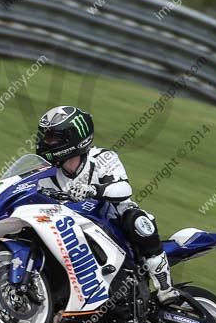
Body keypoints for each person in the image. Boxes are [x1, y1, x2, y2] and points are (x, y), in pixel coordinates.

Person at [35, 105, 179, 304]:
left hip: (112, 222)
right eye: (45, 136)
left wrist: (93, 190)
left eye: (51, 137)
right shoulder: (47, 174)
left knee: (137, 220)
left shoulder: (102, 158)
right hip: (72, 231)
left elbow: (124, 189)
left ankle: (165, 288)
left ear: (72, 138)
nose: (45, 142)